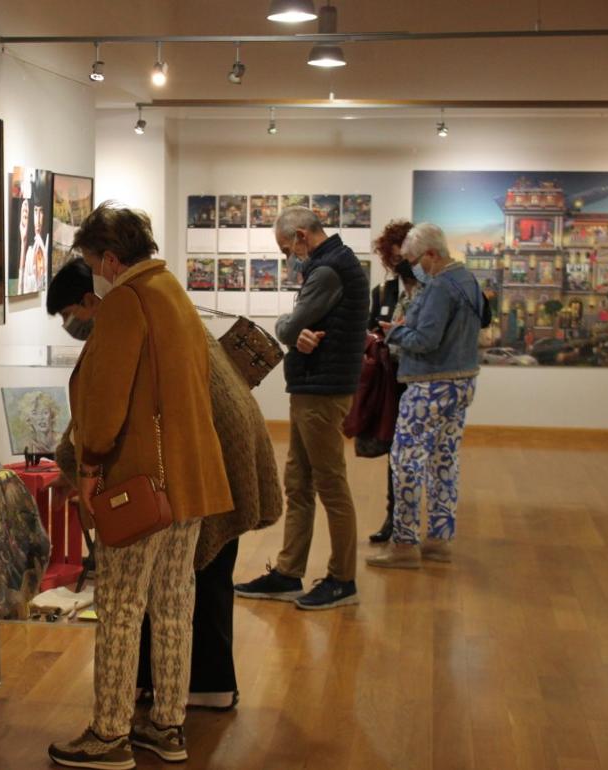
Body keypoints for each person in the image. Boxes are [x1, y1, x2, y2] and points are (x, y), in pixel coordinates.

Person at [47, 258, 283, 713]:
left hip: (204, 459)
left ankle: (166, 695)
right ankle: (193, 691)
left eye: (68, 315)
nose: (69, 326)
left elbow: (100, 416)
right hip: (220, 453)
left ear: (89, 301)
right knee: (199, 580)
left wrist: (76, 468)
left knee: (167, 583)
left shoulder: (125, 322)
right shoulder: (164, 304)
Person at [48, 203, 233, 770]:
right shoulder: (171, 288)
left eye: (90, 262)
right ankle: (168, 725)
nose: (94, 275)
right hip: (191, 478)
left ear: (109, 258)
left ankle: (109, 734)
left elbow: (104, 406)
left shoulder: (127, 300)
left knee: (122, 606)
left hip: (139, 483)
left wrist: (88, 465)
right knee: (175, 602)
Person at [234, 206, 369, 611]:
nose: (286, 258)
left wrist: (288, 327)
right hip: (314, 387)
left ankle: (343, 580)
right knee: (299, 482)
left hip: (322, 391)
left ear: (301, 237)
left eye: (284, 249)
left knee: (329, 484)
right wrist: (296, 329)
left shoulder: (328, 270)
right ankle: (289, 573)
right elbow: (300, 328)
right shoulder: (334, 265)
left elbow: (289, 328)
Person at [368, 223, 483, 569]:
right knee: (444, 461)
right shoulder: (467, 279)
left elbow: (425, 341)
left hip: (429, 384)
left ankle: (404, 544)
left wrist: (395, 334)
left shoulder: (439, 287)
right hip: (462, 381)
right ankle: (439, 539)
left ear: (431, 254)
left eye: (413, 259)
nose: (411, 266)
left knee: (405, 461)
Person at [366, 220, 417, 544]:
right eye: (395, 259)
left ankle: (408, 518)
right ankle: (394, 516)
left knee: (413, 453)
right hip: (391, 381)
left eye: (406, 258)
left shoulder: (431, 291)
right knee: (393, 450)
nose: (402, 265)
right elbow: (370, 330)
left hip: (420, 379)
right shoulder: (383, 292)